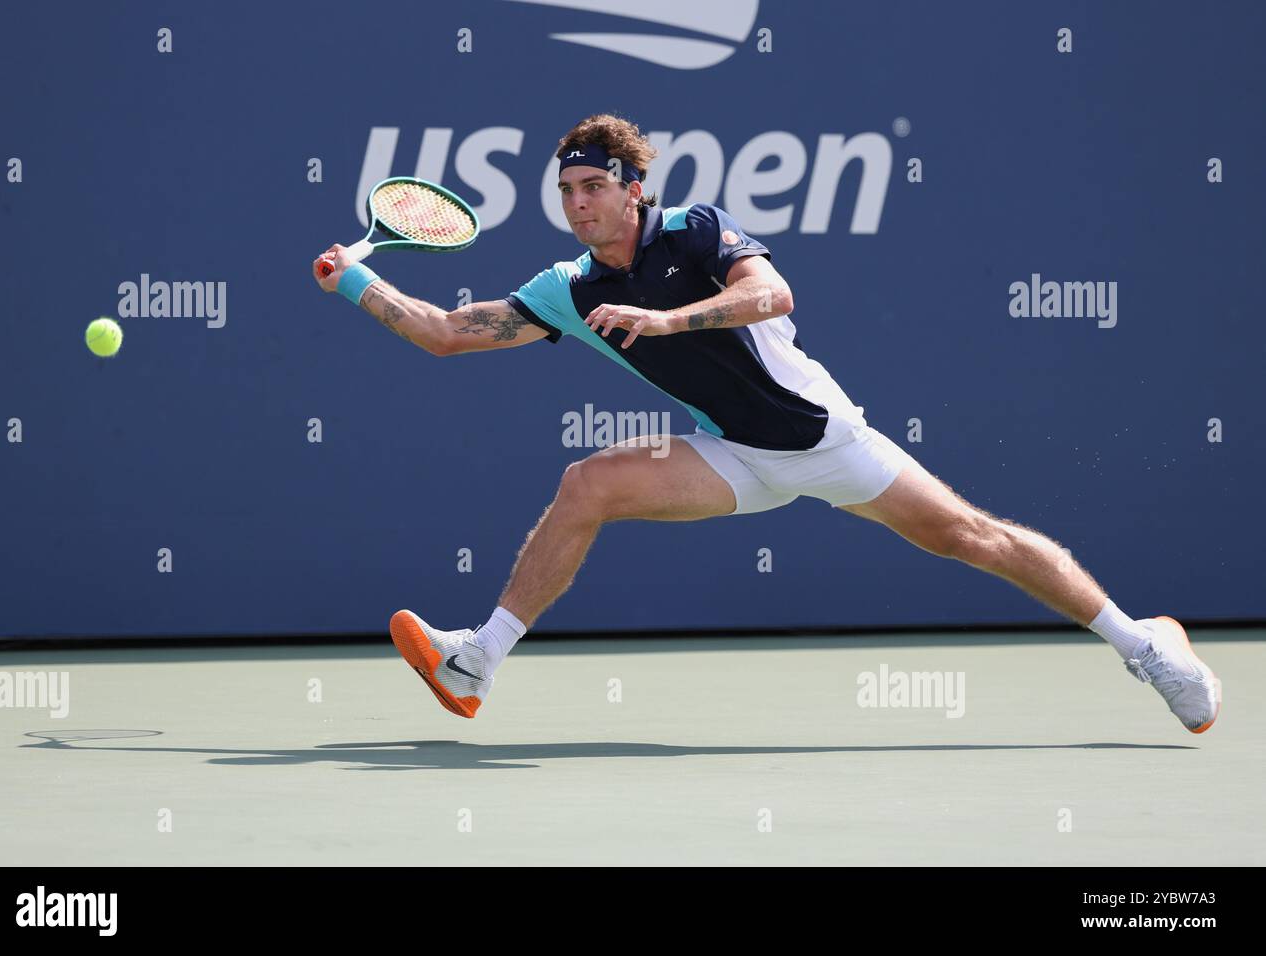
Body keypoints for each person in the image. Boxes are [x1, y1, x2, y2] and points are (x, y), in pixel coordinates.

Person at [312, 114, 1220, 731]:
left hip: (824, 441)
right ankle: (475, 664)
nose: (579, 203)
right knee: (587, 483)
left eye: (594, 186)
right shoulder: (566, 289)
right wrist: (354, 280)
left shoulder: (697, 232)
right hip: (732, 455)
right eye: (567, 191)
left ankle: (1145, 648)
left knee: (968, 537)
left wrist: (670, 319)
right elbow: (445, 335)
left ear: (634, 188)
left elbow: (771, 291)